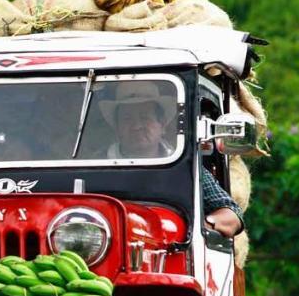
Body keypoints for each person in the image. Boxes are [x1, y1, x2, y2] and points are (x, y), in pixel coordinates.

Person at [99, 81, 244, 238]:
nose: (137, 126)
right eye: (127, 119)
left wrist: (201, 226)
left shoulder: (185, 167)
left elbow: (232, 214)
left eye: (145, 117)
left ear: (163, 125)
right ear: (116, 127)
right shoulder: (96, 166)